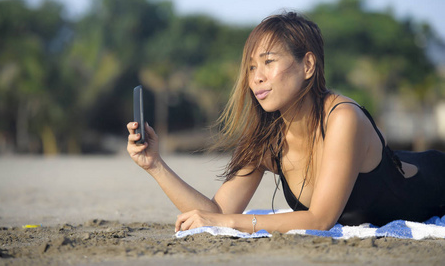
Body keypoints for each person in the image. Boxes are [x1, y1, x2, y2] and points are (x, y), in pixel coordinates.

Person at [127, 12, 445, 234]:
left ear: (308, 64)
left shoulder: (343, 118)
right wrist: (154, 164)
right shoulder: (268, 139)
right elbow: (218, 213)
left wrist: (231, 224)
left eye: (268, 61)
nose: (257, 77)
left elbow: (320, 220)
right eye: (251, 67)